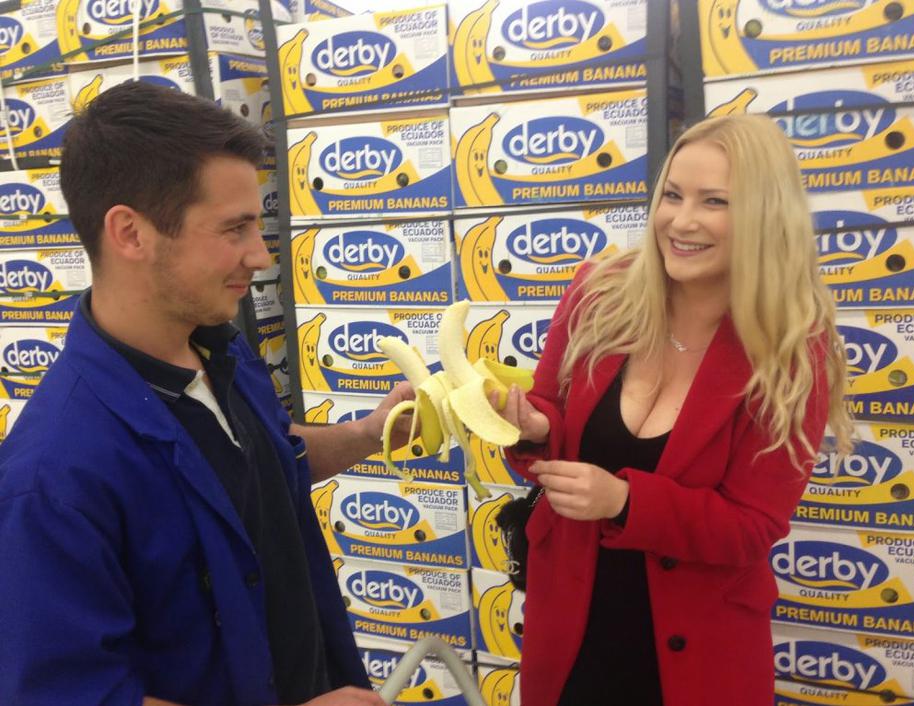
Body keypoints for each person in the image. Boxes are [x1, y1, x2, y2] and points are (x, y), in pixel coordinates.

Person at [0, 82, 408, 706]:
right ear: (130, 233)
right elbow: (72, 694)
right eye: (235, 229)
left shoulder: (220, 348)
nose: (261, 255)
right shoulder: (54, 475)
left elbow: (262, 461)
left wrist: (370, 434)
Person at [498, 114, 854, 706]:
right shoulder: (598, 293)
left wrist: (624, 501)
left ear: (766, 217)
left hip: (701, 654)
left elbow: (752, 527)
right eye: (672, 195)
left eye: (714, 201)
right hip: (570, 629)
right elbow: (549, 418)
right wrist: (532, 428)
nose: (681, 221)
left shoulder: (793, 351)